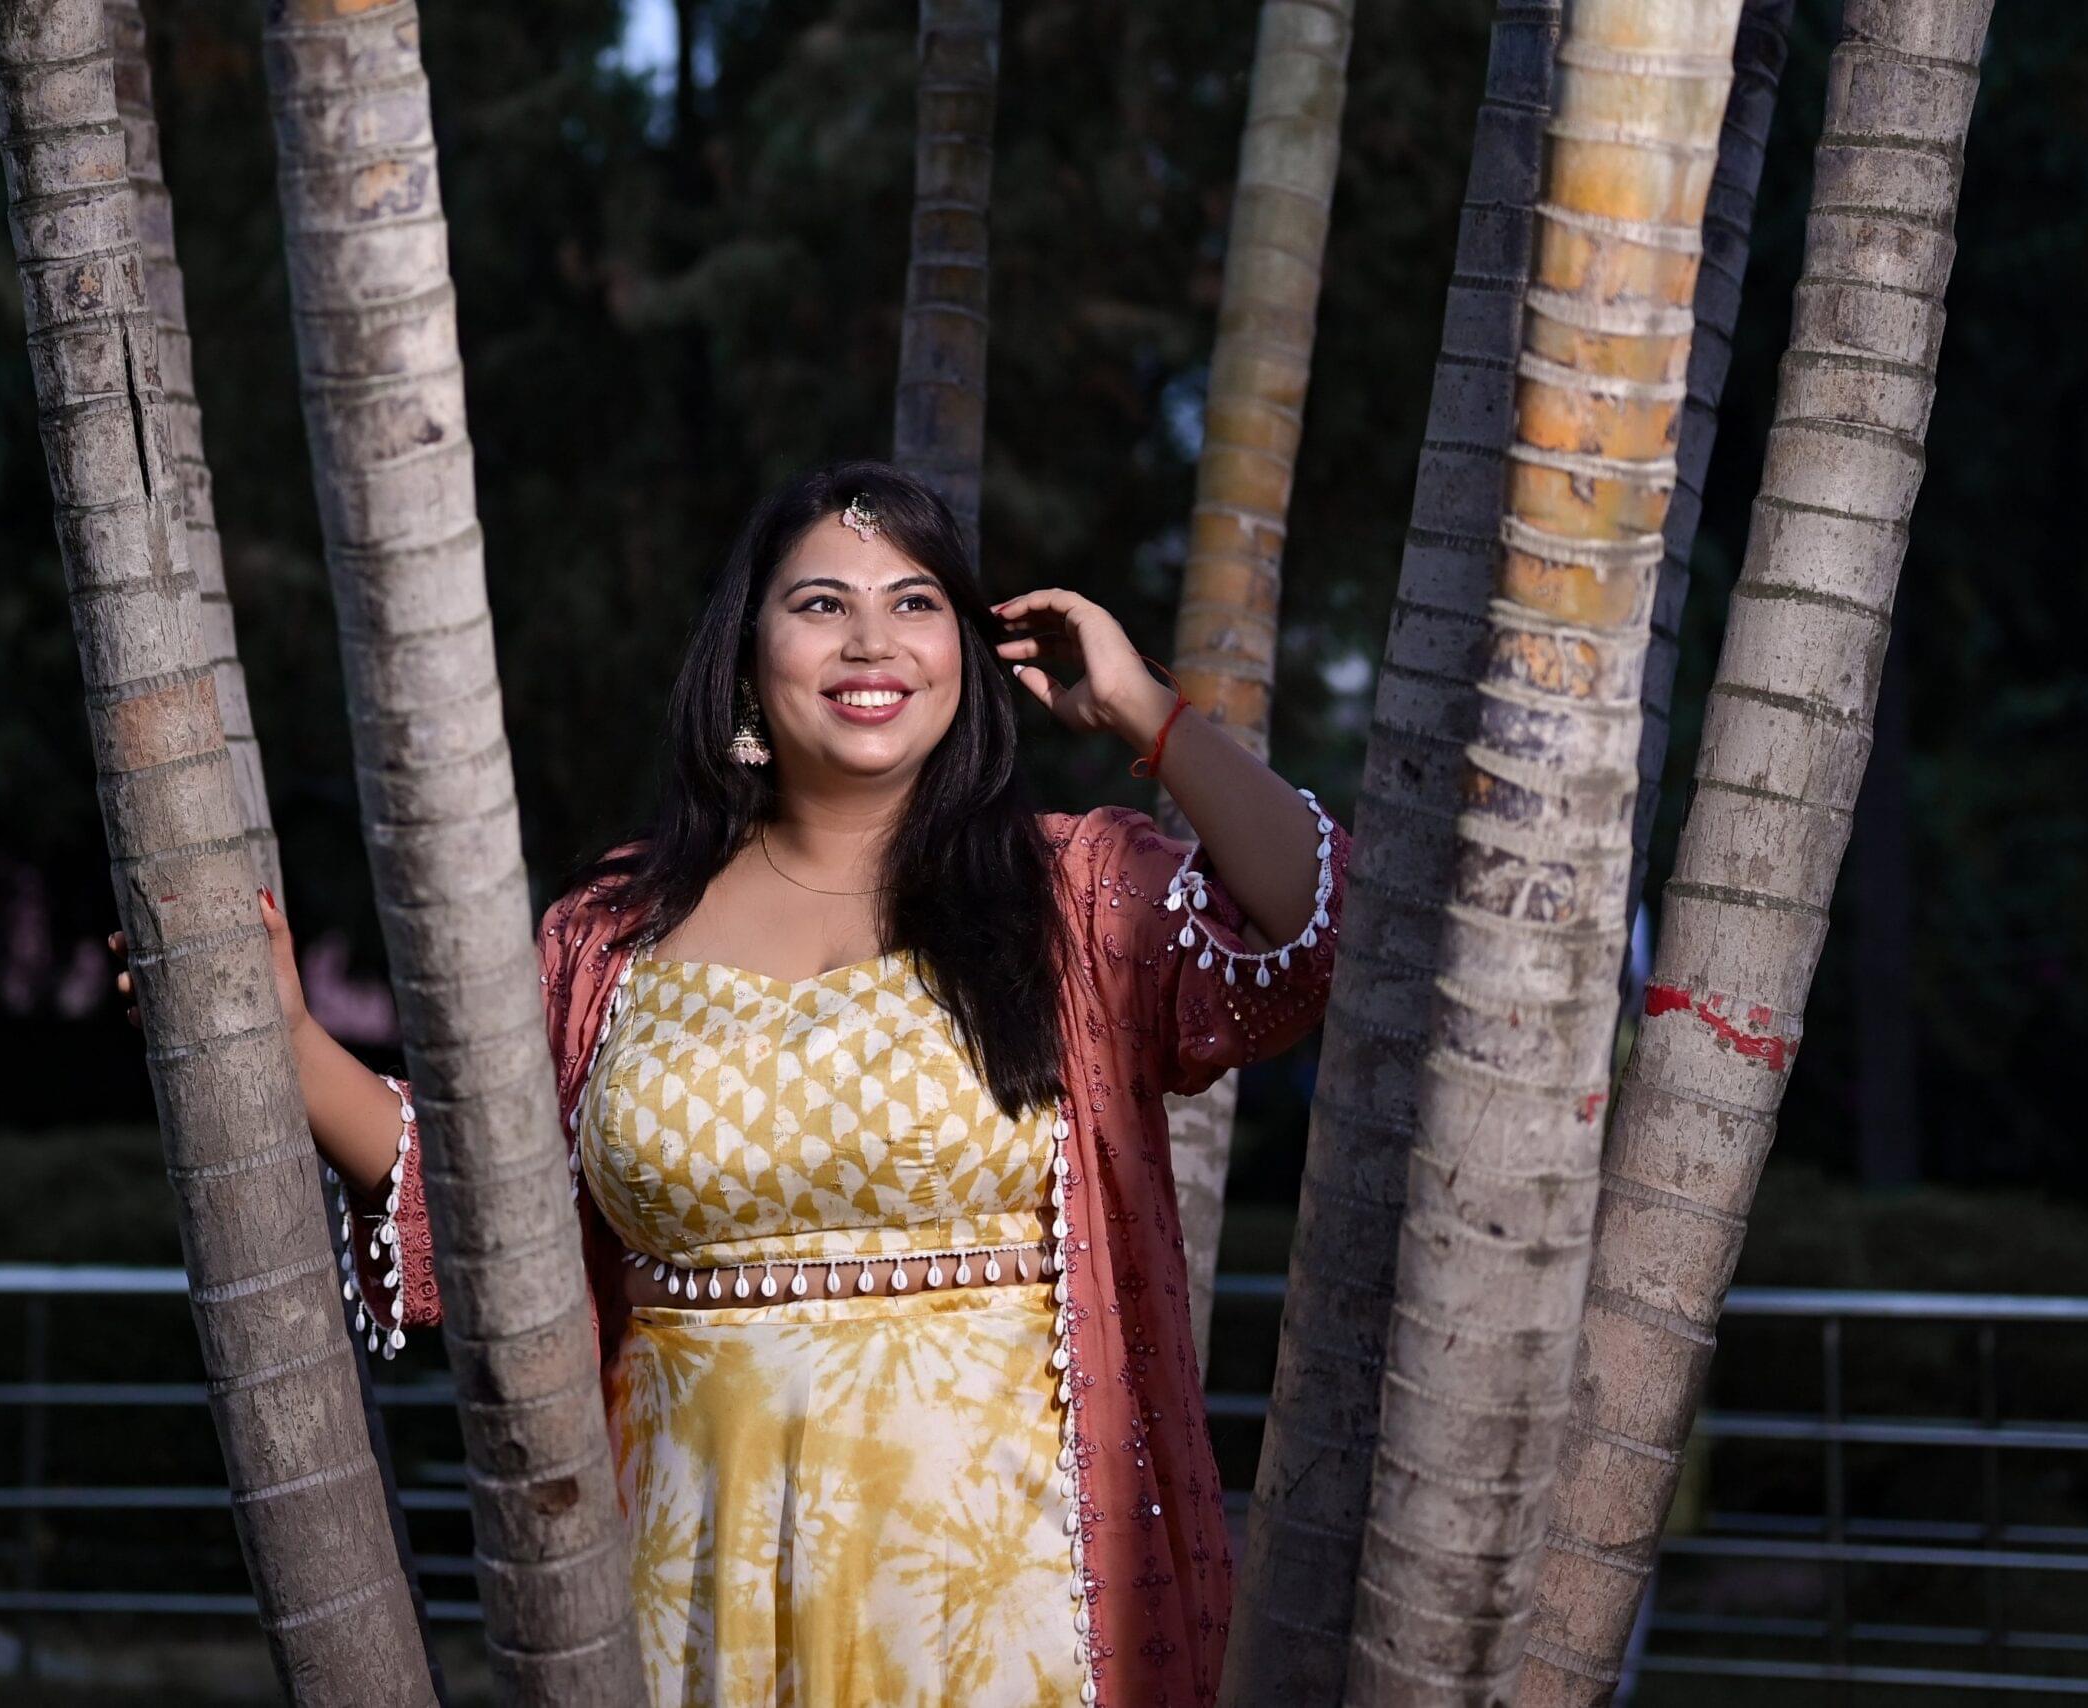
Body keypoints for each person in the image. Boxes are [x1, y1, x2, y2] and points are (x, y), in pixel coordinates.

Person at [113, 460, 1349, 1707]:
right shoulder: (612, 931)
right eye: (820, 603)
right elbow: (472, 1201)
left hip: (1007, 1592)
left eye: (916, 602)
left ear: (966, 660)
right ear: (746, 658)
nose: (872, 637)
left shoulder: (1071, 897)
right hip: (686, 1574)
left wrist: (1147, 709)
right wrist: (281, 1035)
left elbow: (1323, 923)